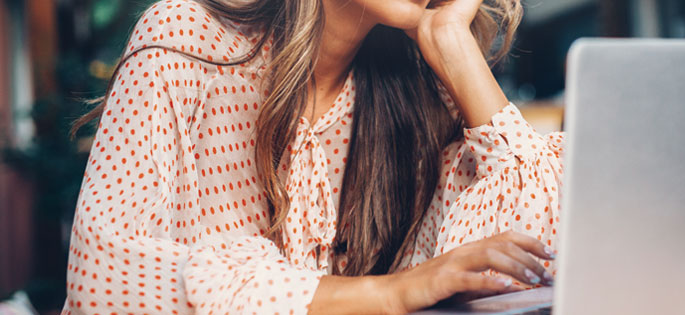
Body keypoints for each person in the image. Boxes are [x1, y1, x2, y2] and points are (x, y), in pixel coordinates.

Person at [63, 0, 564, 313]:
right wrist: (388, 295)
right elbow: (105, 276)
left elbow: (538, 264)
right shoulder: (186, 40)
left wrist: (455, 49)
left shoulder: (418, 98)